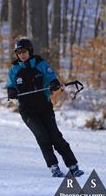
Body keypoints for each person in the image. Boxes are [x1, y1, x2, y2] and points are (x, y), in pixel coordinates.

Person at [6, 38, 84, 177]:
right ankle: (53, 166)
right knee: (42, 136)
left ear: (29, 51)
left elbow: (51, 77)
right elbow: (11, 85)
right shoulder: (14, 69)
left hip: (44, 107)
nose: (22, 55)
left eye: (24, 52)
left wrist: (54, 83)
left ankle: (73, 165)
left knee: (55, 136)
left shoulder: (40, 64)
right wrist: (11, 91)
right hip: (27, 111)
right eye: (19, 53)